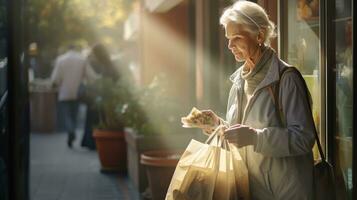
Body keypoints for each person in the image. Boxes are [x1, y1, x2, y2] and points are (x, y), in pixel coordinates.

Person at [203, 1, 315, 199]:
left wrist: (255, 138)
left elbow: (304, 139)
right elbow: (242, 133)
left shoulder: (287, 79)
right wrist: (218, 126)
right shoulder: (238, 81)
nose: (230, 45)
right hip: (250, 190)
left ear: (259, 35)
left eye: (236, 37)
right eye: (228, 38)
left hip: (286, 193)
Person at [51, 44, 97, 148]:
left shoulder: (61, 60)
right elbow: (91, 76)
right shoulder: (82, 60)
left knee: (66, 115)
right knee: (74, 114)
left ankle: (70, 131)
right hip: (78, 92)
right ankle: (72, 130)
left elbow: (56, 78)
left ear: (67, 49)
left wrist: (53, 84)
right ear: (76, 49)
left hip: (64, 92)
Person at [80, 43, 118, 150]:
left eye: (94, 54)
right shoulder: (106, 64)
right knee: (93, 112)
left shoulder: (107, 65)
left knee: (93, 113)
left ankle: (91, 141)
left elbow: (107, 81)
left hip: (104, 98)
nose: (93, 56)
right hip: (102, 96)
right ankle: (90, 141)